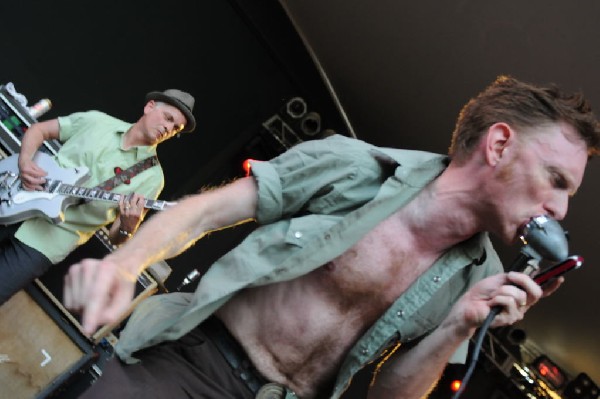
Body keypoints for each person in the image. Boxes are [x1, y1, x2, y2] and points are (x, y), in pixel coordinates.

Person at [64, 76, 600, 399]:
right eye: (557, 180)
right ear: (499, 144)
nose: (560, 208)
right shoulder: (352, 165)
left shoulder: (479, 282)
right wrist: (123, 264)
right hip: (190, 366)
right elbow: (206, 211)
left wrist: (458, 327)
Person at [0, 89, 196, 305]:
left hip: (44, 243)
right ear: (150, 107)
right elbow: (39, 130)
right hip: (13, 194)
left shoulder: (153, 179)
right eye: (168, 118)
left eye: (176, 128)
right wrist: (25, 160)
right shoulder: (98, 122)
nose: (168, 128)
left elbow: (115, 237)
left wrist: (128, 227)